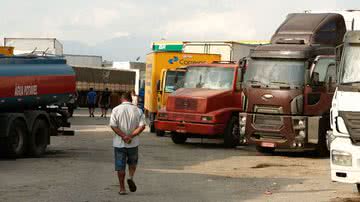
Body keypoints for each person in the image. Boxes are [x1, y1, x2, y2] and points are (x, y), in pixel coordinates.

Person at [110, 91, 146, 195]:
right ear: (130, 99)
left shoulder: (116, 110)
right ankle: (130, 177)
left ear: (121, 99)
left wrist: (123, 136)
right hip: (133, 143)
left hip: (119, 144)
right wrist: (130, 136)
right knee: (132, 163)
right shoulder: (138, 110)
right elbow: (142, 126)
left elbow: (113, 125)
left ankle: (122, 189)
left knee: (120, 166)